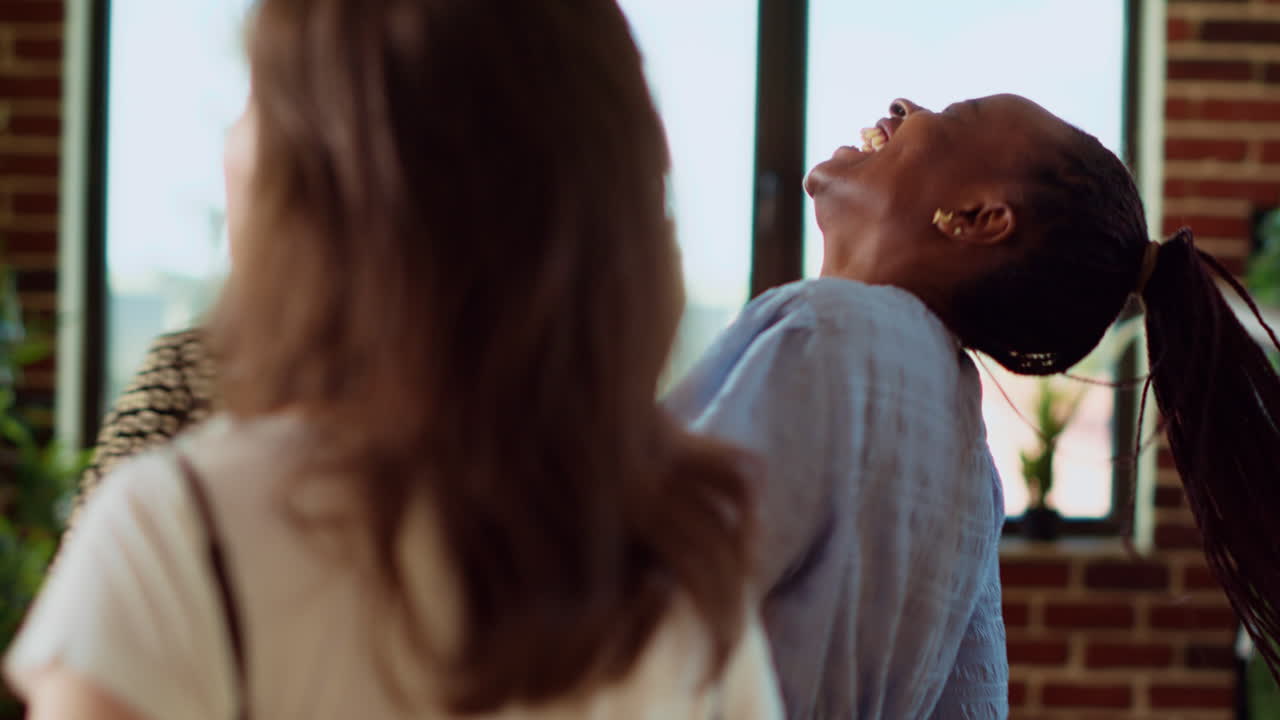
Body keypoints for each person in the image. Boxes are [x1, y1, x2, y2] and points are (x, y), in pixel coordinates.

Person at [5, 1, 783, 718]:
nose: (231, 144)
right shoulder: (680, 560)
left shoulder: (180, 533)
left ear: (336, 190)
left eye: (257, 100)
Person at [667, 94, 1280, 719]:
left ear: (975, 217)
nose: (905, 107)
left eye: (955, 116)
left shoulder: (836, 337)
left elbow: (626, 586)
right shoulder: (961, 441)